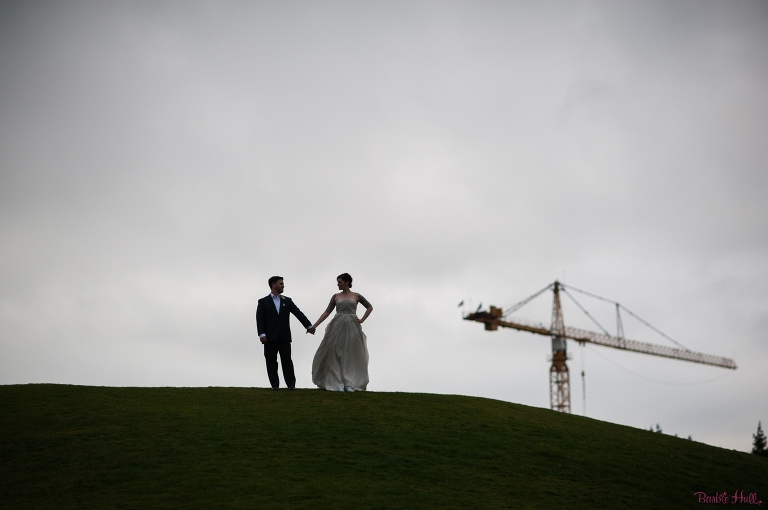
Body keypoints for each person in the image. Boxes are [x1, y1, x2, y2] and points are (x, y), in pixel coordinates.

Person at [310, 273, 373, 392]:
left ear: (347, 282)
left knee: (350, 353)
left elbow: (369, 307)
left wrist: (362, 320)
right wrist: (314, 325)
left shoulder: (356, 296)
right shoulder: (335, 296)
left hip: (352, 325)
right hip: (337, 325)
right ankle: (336, 382)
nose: (338, 284)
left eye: (340, 282)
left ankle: (349, 383)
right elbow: (327, 312)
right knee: (334, 352)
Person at [256, 276, 315, 390]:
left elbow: (298, 313)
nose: (283, 285)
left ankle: (291, 385)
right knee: (271, 361)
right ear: (273, 285)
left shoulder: (287, 300)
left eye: (283, 283)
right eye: (281, 284)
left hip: (284, 336)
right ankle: (275, 385)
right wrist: (262, 334)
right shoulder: (263, 301)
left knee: (287, 360)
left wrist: (309, 326)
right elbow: (260, 319)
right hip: (269, 337)